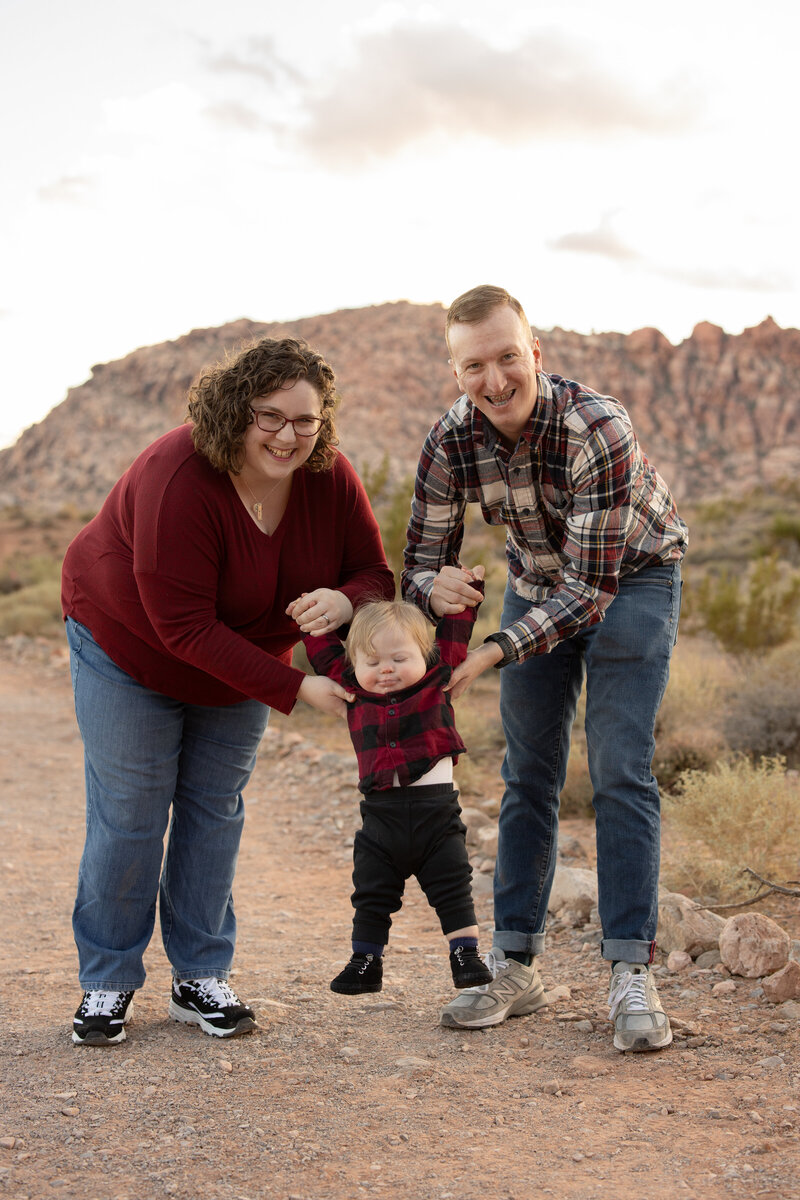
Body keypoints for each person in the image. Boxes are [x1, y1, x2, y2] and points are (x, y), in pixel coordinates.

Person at [62, 335, 394, 1046]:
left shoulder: (329, 479)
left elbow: (374, 572)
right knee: (132, 812)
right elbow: (180, 627)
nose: (287, 435)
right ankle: (107, 982)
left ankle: (199, 977)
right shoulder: (179, 474)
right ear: (235, 412)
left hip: (240, 656)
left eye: (305, 421)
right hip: (127, 645)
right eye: (269, 416)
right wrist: (297, 687)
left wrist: (343, 599)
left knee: (215, 810)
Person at [402, 285, 688, 1051]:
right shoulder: (449, 440)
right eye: (473, 366)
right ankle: (515, 963)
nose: (494, 380)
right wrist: (437, 587)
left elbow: (591, 590)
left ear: (535, 354)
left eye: (506, 358)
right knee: (529, 774)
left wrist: (494, 647)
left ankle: (632, 970)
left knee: (620, 766)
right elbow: (419, 564)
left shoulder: (596, 425)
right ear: (455, 370)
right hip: (535, 582)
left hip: (632, 579)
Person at [303, 578, 493, 996]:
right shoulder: (352, 691)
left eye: (398, 658)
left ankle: (465, 954)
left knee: (452, 884)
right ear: (355, 666)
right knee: (371, 891)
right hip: (380, 820)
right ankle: (365, 961)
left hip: (437, 815)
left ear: (426, 656)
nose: (385, 669)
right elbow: (324, 652)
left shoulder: (438, 678)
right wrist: (311, 617)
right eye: (371, 662)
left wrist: (465, 587)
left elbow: (457, 627)